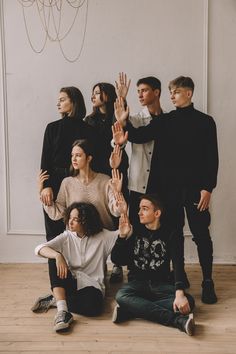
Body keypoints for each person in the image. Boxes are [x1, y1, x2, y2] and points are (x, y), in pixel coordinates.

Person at [113, 76, 219, 304]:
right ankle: (179, 278)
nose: (172, 96)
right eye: (170, 93)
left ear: (189, 93)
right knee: (175, 235)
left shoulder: (206, 122)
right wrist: (124, 123)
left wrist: (207, 188)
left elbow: (212, 158)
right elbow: (141, 136)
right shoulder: (167, 120)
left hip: (195, 190)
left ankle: (208, 281)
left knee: (201, 234)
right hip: (170, 190)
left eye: (176, 92)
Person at [31, 202, 130, 333]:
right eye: (69, 218)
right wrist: (58, 255)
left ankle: (57, 299)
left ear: (86, 221)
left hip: (92, 286)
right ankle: (62, 312)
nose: (70, 222)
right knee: (53, 259)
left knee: (94, 308)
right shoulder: (66, 236)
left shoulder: (103, 236)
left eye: (75, 219)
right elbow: (39, 249)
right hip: (69, 281)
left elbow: (126, 231)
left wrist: (123, 218)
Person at [111, 194, 195, 336]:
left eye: (144, 209)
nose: (139, 212)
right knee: (121, 295)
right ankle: (177, 321)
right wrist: (122, 236)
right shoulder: (135, 230)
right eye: (139, 209)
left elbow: (178, 263)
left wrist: (180, 293)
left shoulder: (171, 233)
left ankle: (131, 310)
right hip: (137, 284)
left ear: (157, 213)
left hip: (160, 284)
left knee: (189, 302)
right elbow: (117, 260)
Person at [85, 78, 130, 282]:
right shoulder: (89, 121)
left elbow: (123, 121)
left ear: (107, 95)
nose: (93, 96)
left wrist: (122, 97)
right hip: (97, 174)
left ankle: (119, 263)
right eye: (92, 93)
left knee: (118, 215)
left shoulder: (116, 116)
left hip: (117, 169)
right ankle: (98, 263)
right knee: (99, 216)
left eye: (97, 92)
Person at [40, 86, 97, 241]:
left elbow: (93, 161)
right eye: (58, 100)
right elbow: (45, 161)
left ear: (74, 102)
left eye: (62, 100)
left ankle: (77, 266)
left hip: (79, 182)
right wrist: (45, 186)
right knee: (53, 233)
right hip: (55, 182)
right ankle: (55, 265)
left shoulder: (89, 130)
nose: (58, 104)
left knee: (78, 230)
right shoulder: (52, 128)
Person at [39, 139, 125, 231]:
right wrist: (42, 191)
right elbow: (56, 213)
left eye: (78, 155)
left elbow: (117, 211)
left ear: (89, 158)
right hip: (77, 239)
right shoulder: (67, 183)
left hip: (102, 238)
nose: (74, 159)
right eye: (72, 155)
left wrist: (117, 193)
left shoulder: (105, 181)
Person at [114, 75, 163, 225]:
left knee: (162, 225)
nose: (140, 94)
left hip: (161, 183)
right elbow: (115, 141)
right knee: (137, 226)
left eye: (144, 90)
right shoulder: (135, 120)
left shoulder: (168, 120)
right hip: (139, 183)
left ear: (156, 92)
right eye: (138, 91)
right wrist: (121, 99)